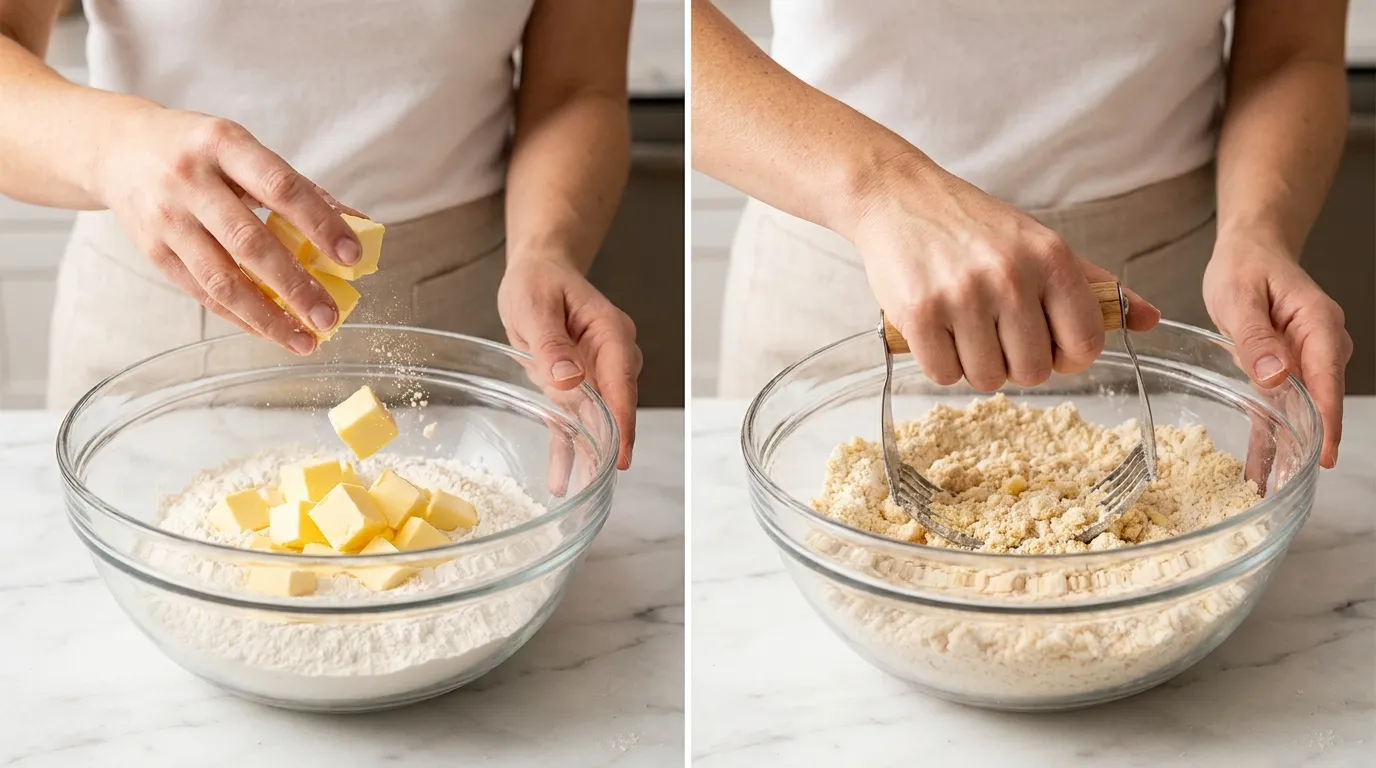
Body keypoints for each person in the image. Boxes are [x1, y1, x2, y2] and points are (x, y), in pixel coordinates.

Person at [693, 0, 1352, 469]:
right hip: (838, 271)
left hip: (1164, 291)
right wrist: (884, 192)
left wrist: (1257, 230)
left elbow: (1291, 47)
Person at [0, 0, 641, 468]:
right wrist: (116, 147)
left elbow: (574, 86)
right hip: (158, 310)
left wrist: (546, 248)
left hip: (466, 316)